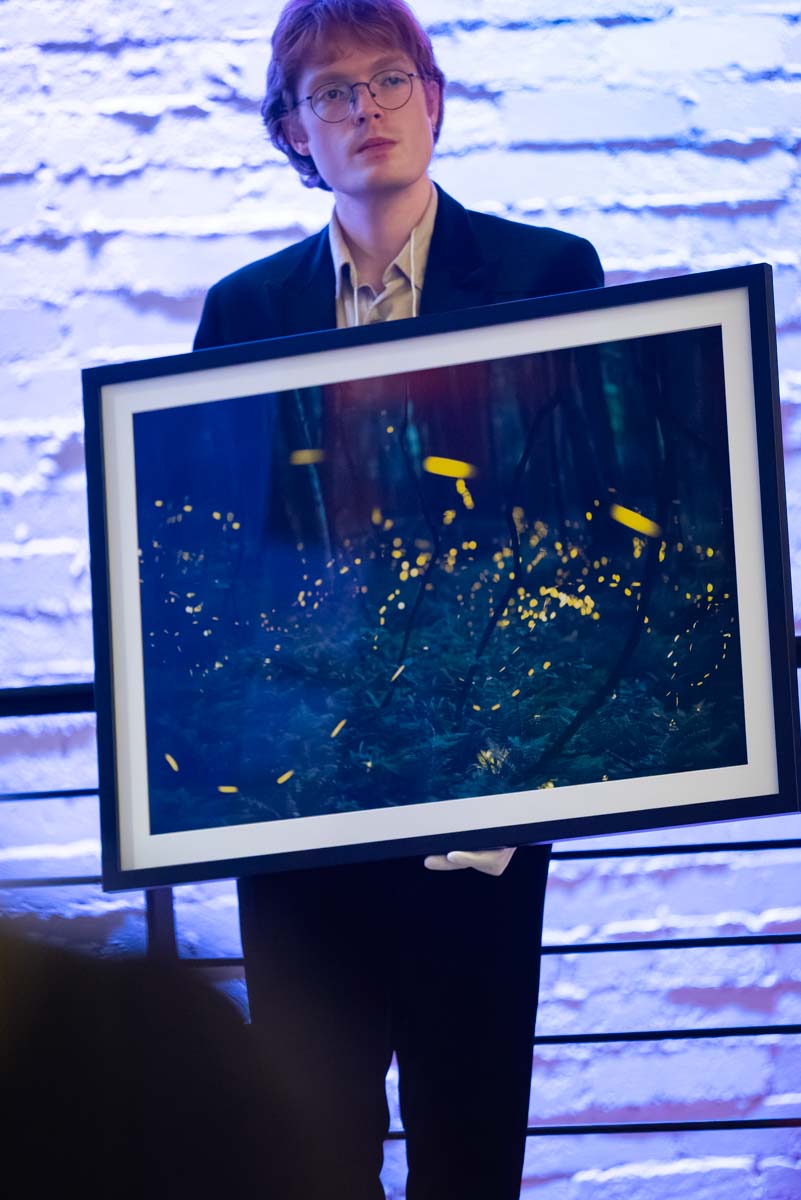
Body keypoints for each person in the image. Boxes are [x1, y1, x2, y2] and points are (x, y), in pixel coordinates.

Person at [193, 2, 603, 1197]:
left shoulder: (544, 274)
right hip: (301, 813)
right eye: (332, 91)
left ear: (434, 97)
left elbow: (583, 523)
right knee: (309, 1158)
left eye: (388, 78)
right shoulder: (244, 311)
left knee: (470, 1156)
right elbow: (221, 559)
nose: (366, 108)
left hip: (479, 800)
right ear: (292, 130)